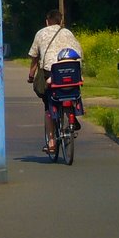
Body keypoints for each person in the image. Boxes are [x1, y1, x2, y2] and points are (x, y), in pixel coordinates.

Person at [27, 9, 82, 152]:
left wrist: (31, 75)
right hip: (73, 71)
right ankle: (72, 115)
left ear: (47, 21)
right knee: (70, 90)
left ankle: (51, 143)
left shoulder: (41, 33)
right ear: (60, 21)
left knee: (49, 106)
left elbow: (34, 57)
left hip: (52, 73)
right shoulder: (68, 33)